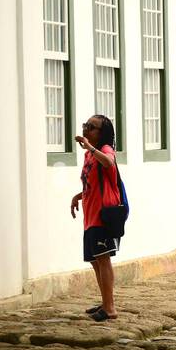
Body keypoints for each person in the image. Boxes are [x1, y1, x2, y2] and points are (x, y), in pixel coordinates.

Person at [71, 114, 120, 321]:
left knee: (103, 259)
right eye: (86, 125)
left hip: (103, 216)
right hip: (90, 216)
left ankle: (110, 308)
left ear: (102, 133)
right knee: (95, 261)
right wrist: (78, 196)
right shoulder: (88, 156)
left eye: (92, 127)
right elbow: (92, 184)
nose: (87, 129)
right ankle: (104, 302)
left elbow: (109, 163)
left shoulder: (105, 150)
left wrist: (91, 148)